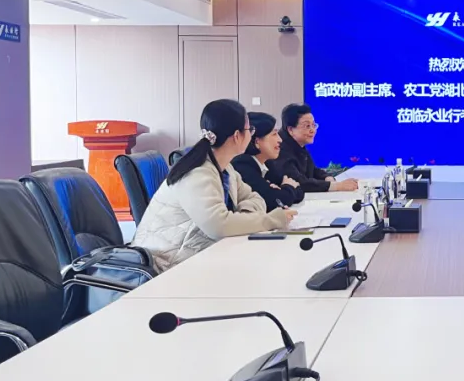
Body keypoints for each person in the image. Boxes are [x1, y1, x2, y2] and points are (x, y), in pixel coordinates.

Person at [133, 99, 296, 272]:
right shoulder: (197, 173)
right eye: (250, 130)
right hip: (165, 267)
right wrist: (273, 220)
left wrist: (243, 216)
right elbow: (219, 226)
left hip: (198, 256)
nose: (251, 134)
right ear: (237, 136)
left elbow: (255, 198)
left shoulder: (226, 168)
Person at [274, 103, 358, 193]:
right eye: (307, 126)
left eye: (313, 125)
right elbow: (298, 182)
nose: (312, 130)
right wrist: (337, 186)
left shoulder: (298, 146)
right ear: (290, 129)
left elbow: (313, 170)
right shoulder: (280, 149)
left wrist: (327, 177)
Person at [232, 112, 305, 208]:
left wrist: (283, 190)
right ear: (257, 141)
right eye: (274, 134)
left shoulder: (267, 164)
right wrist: (287, 188)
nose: (280, 140)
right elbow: (273, 202)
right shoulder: (242, 165)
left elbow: (299, 190)